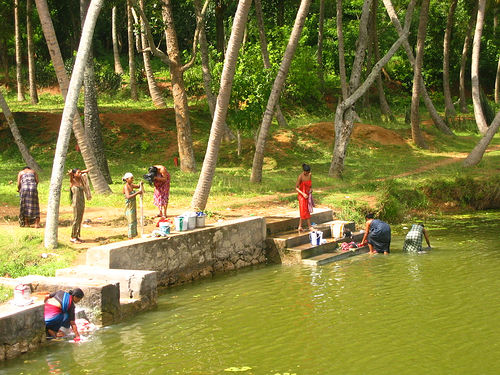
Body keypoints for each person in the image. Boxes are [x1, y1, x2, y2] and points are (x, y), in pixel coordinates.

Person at [68, 168, 91, 244]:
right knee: (76, 219)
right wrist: (71, 174)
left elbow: (86, 171)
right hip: (76, 203)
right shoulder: (72, 181)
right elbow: (71, 176)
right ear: (74, 174)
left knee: (80, 219)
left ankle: (77, 236)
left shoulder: (81, 179)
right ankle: (73, 237)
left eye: (80, 173)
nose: (80, 174)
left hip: (81, 202)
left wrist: (82, 172)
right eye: (78, 173)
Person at [122, 172, 143, 239]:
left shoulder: (131, 185)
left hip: (133, 205)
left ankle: (134, 234)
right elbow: (128, 196)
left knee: (134, 219)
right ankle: (130, 236)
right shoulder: (126, 187)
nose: (132, 180)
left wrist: (140, 184)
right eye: (131, 178)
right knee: (131, 220)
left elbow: (138, 186)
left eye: (132, 178)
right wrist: (137, 193)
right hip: (129, 206)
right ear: (127, 179)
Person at [295, 163, 313, 232]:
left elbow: (310, 184)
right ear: (303, 171)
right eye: (306, 172)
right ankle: (309, 226)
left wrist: (311, 189)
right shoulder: (300, 177)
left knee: (307, 210)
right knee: (303, 210)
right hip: (302, 196)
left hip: (307, 195)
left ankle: (300, 226)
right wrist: (303, 194)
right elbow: (296, 188)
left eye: (308, 172)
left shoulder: (310, 175)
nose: (307, 173)